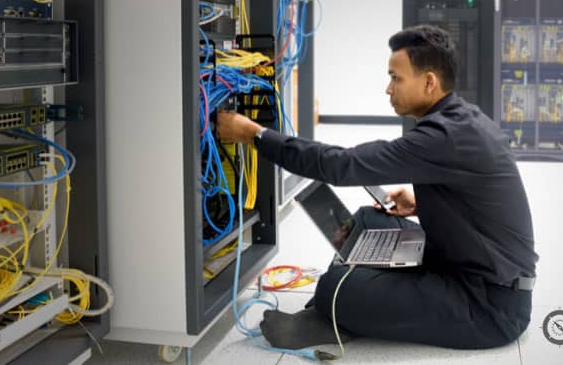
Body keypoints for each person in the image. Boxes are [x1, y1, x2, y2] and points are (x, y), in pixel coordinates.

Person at [217, 24, 538, 350]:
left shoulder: (443, 136)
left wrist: (254, 134)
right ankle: (353, 302)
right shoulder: (459, 120)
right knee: (365, 220)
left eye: (396, 78)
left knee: (334, 287)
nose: (388, 88)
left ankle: (340, 305)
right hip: (465, 264)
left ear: (429, 82)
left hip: (490, 305)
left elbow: (341, 166)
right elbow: (476, 199)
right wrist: (420, 202)